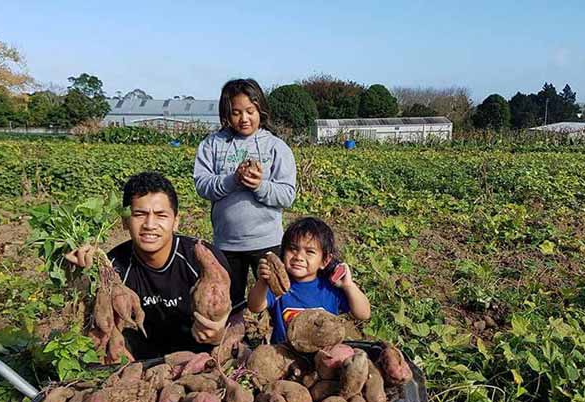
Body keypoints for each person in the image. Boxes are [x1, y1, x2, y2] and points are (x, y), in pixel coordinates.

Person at [65, 171, 236, 359]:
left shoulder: (203, 260)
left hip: (201, 358)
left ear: (176, 221)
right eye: (140, 214)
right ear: (124, 221)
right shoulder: (111, 267)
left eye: (161, 215)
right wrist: (79, 275)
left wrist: (218, 333)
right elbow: (92, 321)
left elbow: (235, 317)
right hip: (140, 361)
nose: (150, 224)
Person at [193, 78, 297, 311]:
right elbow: (202, 185)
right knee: (231, 303)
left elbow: (287, 195)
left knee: (275, 299)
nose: (244, 118)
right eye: (236, 112)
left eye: (250, 111)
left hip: (268, 241)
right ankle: (234, 343)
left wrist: (259, 185)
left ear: (261, 110)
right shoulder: (212, 145)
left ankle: (275, 342)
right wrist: (232, 180)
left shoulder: (276, 147)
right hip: (227, 243)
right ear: (226, 114)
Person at [247, 217, 371, 344]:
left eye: (310, 252)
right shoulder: (279, 286)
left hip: (323, 353)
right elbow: (254, 307)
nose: (299, 257)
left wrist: (348, 285)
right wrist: (263, 282)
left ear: (325, 261)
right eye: (293, 249)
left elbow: (364, 314)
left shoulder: (330, 289)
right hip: (283, 353)